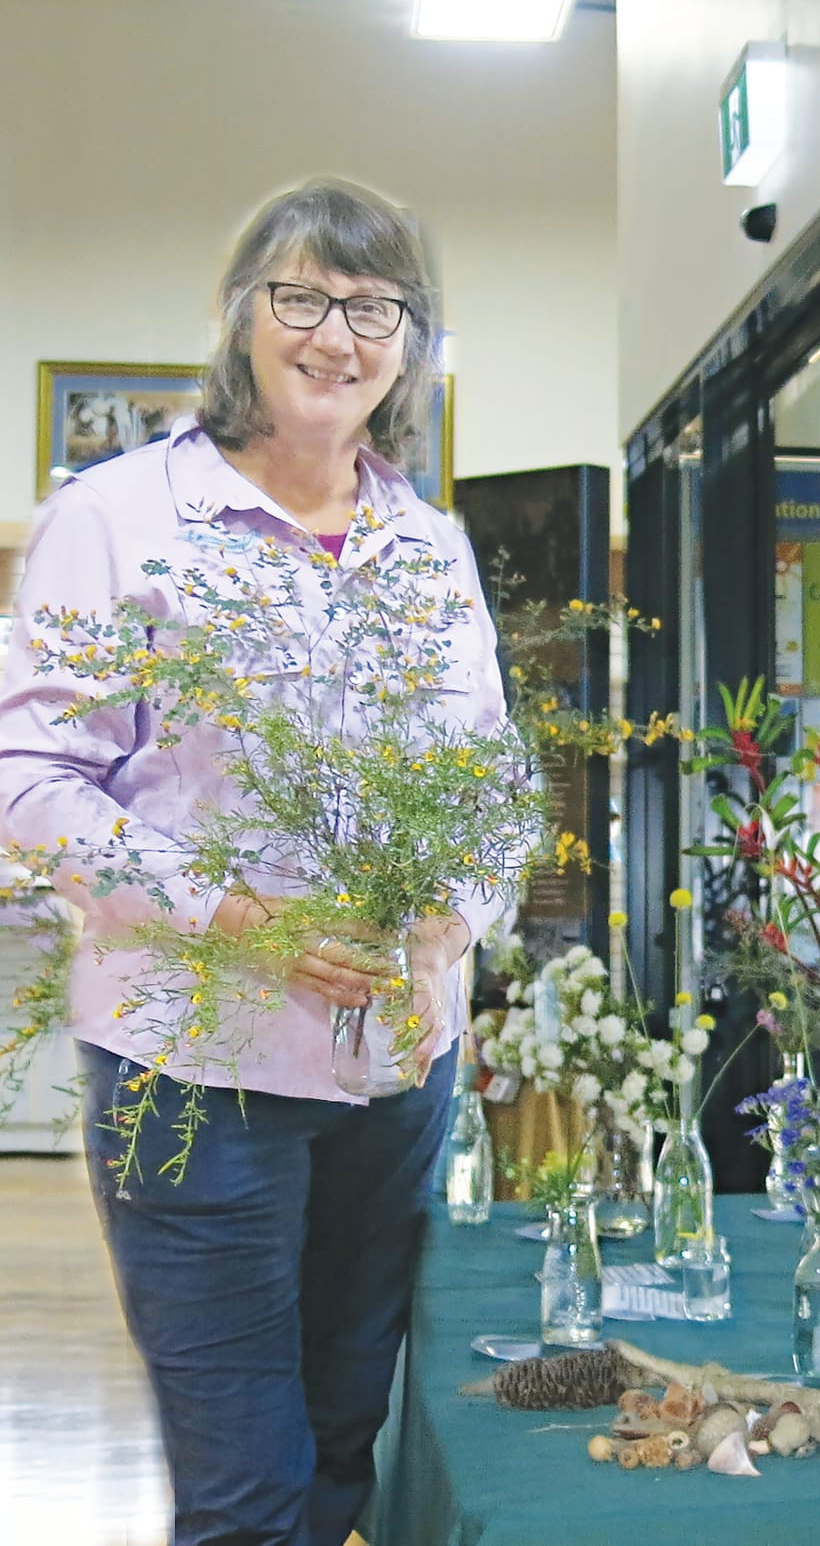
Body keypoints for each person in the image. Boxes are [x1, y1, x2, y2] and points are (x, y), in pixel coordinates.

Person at [0, 179, 508, 1545]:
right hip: (194, 1072)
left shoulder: (429, 549)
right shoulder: (117, 521)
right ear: (239, 319)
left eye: (373, 307)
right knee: (245, 1487)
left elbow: (491, 794)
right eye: (301, 297)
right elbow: (29, 777)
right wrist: (233, 914)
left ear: (410, 342)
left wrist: (450, 919)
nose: (336, 334)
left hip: (393, 1071)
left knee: (345, 1445)